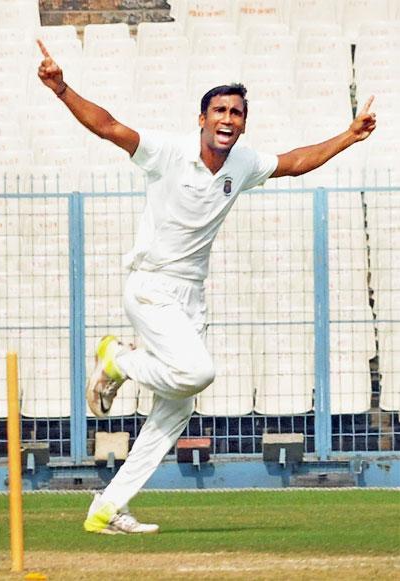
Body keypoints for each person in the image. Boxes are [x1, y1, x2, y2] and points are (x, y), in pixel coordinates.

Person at [36, 40, 376, 534]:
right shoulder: (168, 153)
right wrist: (62, 88)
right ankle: (117, 361)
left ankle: (108, 508)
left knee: (175, 412)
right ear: (202, 118)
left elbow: (296, 161)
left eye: (237, 113)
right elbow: (109, 126)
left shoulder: (242, 164)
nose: (228, 118)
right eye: (219, 110)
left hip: (190, 299)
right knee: (196, 372)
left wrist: (348, 135)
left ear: (242, 123)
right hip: (151, 286)